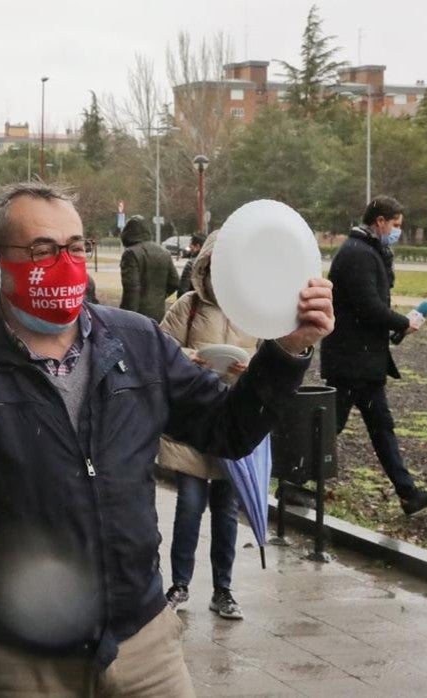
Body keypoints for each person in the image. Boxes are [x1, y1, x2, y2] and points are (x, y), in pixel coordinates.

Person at [0, 183, 334, 696]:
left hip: (144, 645)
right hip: (19, 660)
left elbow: (228, 431)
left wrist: (288, 352)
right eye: (43, 250)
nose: (66, 262)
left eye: (76, 246)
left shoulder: (138, 342)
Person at [321, 196, 427, 516]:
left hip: (362, 362)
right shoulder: (358, 254)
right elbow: (367, 306)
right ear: (380, 221)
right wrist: (402, 322)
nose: (397, 232)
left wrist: (397, 329)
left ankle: (408, 494)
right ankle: (292, 482)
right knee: (330, 427)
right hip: (352, 362)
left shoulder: (366, 251)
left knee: (379, 428)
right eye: (396, 225)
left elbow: (368, 308)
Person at [159, 231, 257, 621]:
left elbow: (270, 357)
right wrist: (191, 357)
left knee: (226, 510)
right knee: (189, 506)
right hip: (192, 422)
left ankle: (224, 589)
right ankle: (179, 583)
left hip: (233, 422)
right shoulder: (189, 306)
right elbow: (159, 347)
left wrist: (247, 366)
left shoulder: (254, 311)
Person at [119, 216, 179, 321]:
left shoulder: (131, 253)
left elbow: (131, 290)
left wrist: (125, 318)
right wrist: (158, 297)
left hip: (137, 315)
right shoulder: (164, 252)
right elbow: (174, 282)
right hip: (158, 312)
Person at [176, 234, 205, 298]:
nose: (189, 248)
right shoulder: (211, 262)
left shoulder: (191, 264)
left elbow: (183, 290)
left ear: (197, 246)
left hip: (193, 302)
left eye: (191, 246)